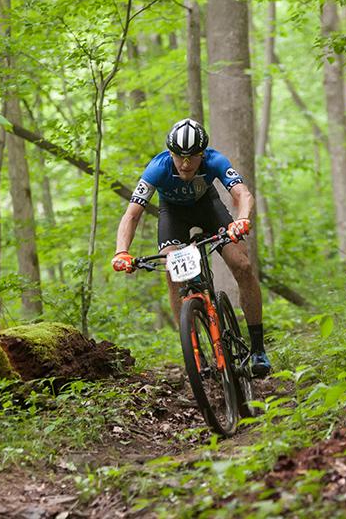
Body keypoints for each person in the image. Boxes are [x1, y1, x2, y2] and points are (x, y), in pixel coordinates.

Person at [111, 119, 271, 377]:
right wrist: (121, 251)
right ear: (171, 154)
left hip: (209, 208)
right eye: (179, 157)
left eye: (192, 158)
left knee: (243, 266)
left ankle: (258, 349)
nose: (185, 164)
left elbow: (243, 194)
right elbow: (131, 215)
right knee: (173, 271)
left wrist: (241, 219)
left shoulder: (215, 161)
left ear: (202, 154)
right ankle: (195, 352)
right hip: (173, 215)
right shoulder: (157, 168)